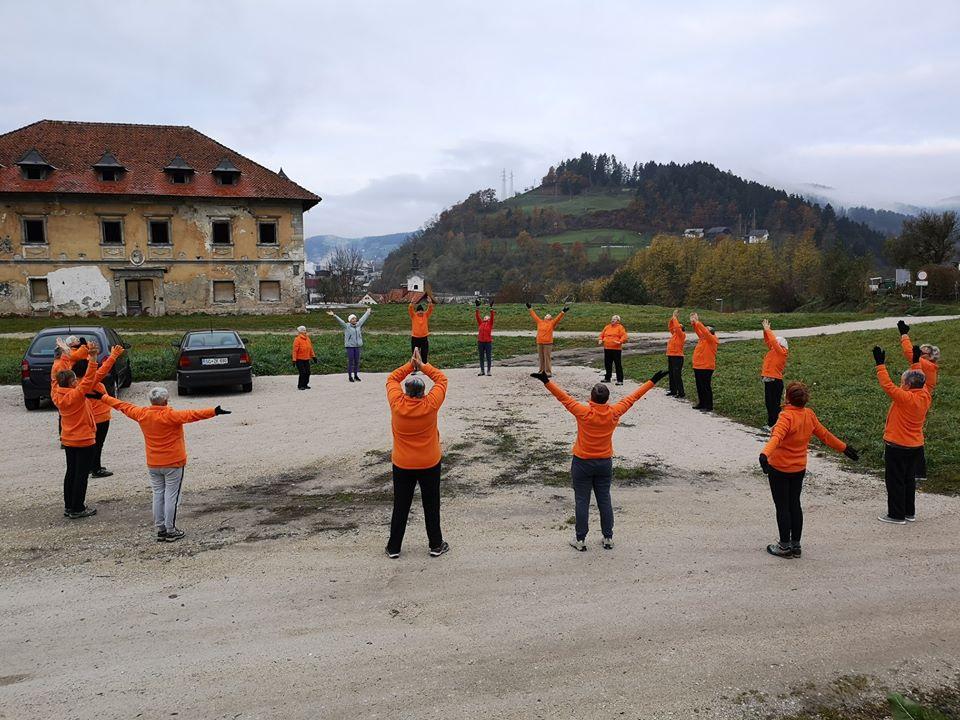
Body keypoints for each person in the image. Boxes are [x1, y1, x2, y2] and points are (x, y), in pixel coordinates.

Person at [531, 367, 668, 551]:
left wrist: (547, 382)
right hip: (604, 462)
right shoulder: (614, 412)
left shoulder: (583, 412)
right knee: (604, 499)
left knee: (582, 500)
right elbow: (632, 398)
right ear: (607, 399)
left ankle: (580, 540)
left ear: (591, 397)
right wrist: (652, 381)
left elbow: (564, 398)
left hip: (582, 462)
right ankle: (608, 537)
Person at [100, 387, 230, 542]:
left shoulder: (142, 414)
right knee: (172, 496)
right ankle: (170, 529)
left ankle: (161, 528)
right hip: (173, 462)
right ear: (166, 401)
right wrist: (214, 411)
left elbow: (122, 405)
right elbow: (193, 415)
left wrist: (103, 397)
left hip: (153, 463)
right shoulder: (171, 415)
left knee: (158, 494)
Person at [759, 382, 858, 558]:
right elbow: (825, 435)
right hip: (798, 468)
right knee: (795, 504)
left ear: (787, 398)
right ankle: (796, 545)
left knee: (782, 507)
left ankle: (784, 546)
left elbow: (777, 437)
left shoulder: (786, 416)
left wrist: (764, 454)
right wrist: (844, 448)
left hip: (780, 468)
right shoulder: (809, 415)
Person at [384, 347, 449, 559]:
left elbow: (392, 378)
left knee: (400, 505)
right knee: (431, 504)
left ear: (405, 391)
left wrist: (410, 366)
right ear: (423, 393)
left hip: (402, 463)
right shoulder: (430, 405)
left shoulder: (396, 404)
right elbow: (442, 380)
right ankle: (435, 544)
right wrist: (422, 366)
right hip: (429, 462)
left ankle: (394, 547)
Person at [872, 346, 932, 525]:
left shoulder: (905, 398)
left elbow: (887, 385)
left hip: (897, 445)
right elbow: (919, 377)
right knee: (908, 480)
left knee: (895, 480)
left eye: (902, 382)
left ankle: (896, 515)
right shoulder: (925, 395)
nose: (900, 384)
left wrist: (880, 365)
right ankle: (908, 512)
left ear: (907, 385)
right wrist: (915, 362)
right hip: (915, 446)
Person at [51, 342, 101, 519]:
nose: (76, 381)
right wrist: (93, 357)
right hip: (84, 439)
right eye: (74, 380)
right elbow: (88, 379)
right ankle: (78, 507)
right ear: (72, 382)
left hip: (69, 439)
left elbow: (56, 378)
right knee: (81, 475)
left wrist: (65, 352)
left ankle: (69, 506)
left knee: (71, 472)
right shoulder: (76, 395)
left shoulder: (56, 393)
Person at [71, 343, 126, 478]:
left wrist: (91, 355)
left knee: (91, 444)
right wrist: (114, 355)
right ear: (87, 371)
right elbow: (104, 369)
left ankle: (91, 466)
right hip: (101, 417)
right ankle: (96, 469)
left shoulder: (77, 383)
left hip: (88, 417)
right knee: (98, 444)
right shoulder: (91, 381)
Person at [897, 319, 940, 484]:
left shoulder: (927, 367)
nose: (920, 353)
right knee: (914, 431)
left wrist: (904, 334)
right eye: (920, 350)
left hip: (917, 401)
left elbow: (909, 354)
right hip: (917, 401)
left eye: (924, 352)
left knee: (911, 431)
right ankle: (916, 469)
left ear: (930, 357)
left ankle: (914, 468)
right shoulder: (927, 366)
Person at [327, 308, 371, 382]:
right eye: (352, 319)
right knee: (351, 361)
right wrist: (334, 315)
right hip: (350, 347)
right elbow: (340, 321)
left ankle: (356, 375)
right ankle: (350, 376)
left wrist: (367, 312)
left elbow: (363, 318)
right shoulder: (346, 326)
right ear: (349, 320)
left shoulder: (358, 325)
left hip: (357, 346)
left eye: (355, 318)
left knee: (357, 361)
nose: (354, 320)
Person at [760, 319, 789, 428]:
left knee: (774, 405)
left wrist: (769, 330)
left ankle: (775, 425)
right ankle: (771, 424)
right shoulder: (774, 350)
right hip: (770, 380)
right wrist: (765, 331)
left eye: (776, 342)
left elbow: (772, 341)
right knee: (769, 404)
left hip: (775, 381)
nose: (773, 344)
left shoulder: (781, 352)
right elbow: (769, 341)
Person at [527, 301, 569, 376]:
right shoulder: (540, 322)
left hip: (548, 343)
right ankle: (541, 371)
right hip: (539, 342)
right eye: (546, 315)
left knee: (547, 358)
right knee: (541, 358)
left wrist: (563, 312)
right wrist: (529, 308)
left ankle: (548, 372)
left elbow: (558, 318)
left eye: (548, 315)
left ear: (550, 318)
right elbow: (534, 315)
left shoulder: (552, 323)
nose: (547, 315)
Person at [690, 312, 719, 411]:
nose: (705, 329)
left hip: (706, 367)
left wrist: (698, 322)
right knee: (699, 386)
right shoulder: (703, 339)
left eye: (707, 328)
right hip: (698, 366)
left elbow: (704, 331)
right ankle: (702, 403)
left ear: (711, 332)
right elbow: (699, 330)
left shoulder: (712, 339)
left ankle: (709, 405)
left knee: (706, 386)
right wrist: (694, 323)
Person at [598, 315, 628, 385]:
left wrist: (620, 341)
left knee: (617, 364)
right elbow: (602, 334)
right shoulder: (607, 327)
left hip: (616, 349)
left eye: (614, 319)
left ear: (618, 321)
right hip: (607, 348)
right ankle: (607, 378)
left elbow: (624, 336)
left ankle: (620, 380)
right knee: (607, 364)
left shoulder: (620, 327)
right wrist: (600, 339)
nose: (612, 320)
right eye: (612, 319)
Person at [408, 293, 435, 367]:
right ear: (416, 311)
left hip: (424, 338)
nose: (420, 312)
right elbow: (410, 309)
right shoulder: (413, 316)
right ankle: (415, 367)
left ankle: (424, 367)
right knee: (415, 354)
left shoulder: (426, 315)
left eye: (421, 311)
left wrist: (430, 302)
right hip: (415, 338)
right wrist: (412, 302)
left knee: (424, 353)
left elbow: (430, 309)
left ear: (423, 311)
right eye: (419, 311)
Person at [666, 309, 686, 398]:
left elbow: (677, 327)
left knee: (677, 375)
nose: (675, 327)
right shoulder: (674, 334)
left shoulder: (681, 335)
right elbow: (670, 326)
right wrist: (672, 318)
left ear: (681, 329)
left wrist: (675, 317)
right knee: (671, 373)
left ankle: (681, 392)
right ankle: (673, 390)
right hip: (671, 355)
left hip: (678, 357)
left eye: (678, 326)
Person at [292, 325, 316, 390]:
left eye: (305, 330)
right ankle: (300, 385)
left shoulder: (308, 339)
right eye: (303, 330)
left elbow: (310, 349)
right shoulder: (297, 339)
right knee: (302, 372)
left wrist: (313, 356)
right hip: (299, 359)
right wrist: (294, 360)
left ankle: (305, 384)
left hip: (307, 359)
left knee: (308, 372)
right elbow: (295, 350)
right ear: (300, 332)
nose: (305, 331)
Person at [475, 298, 495, 376]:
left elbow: (492, 315)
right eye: (485, 317)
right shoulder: (481, 323)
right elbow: (477, 316)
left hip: (488, 342)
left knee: (488, 357)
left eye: (487, 317)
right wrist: (477, 307)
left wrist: (491, 308)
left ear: (489, 319)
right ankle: (482, 371)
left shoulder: (490, 323)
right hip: (480, 342)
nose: (485, 317)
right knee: (481, 357)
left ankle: (489, 371)